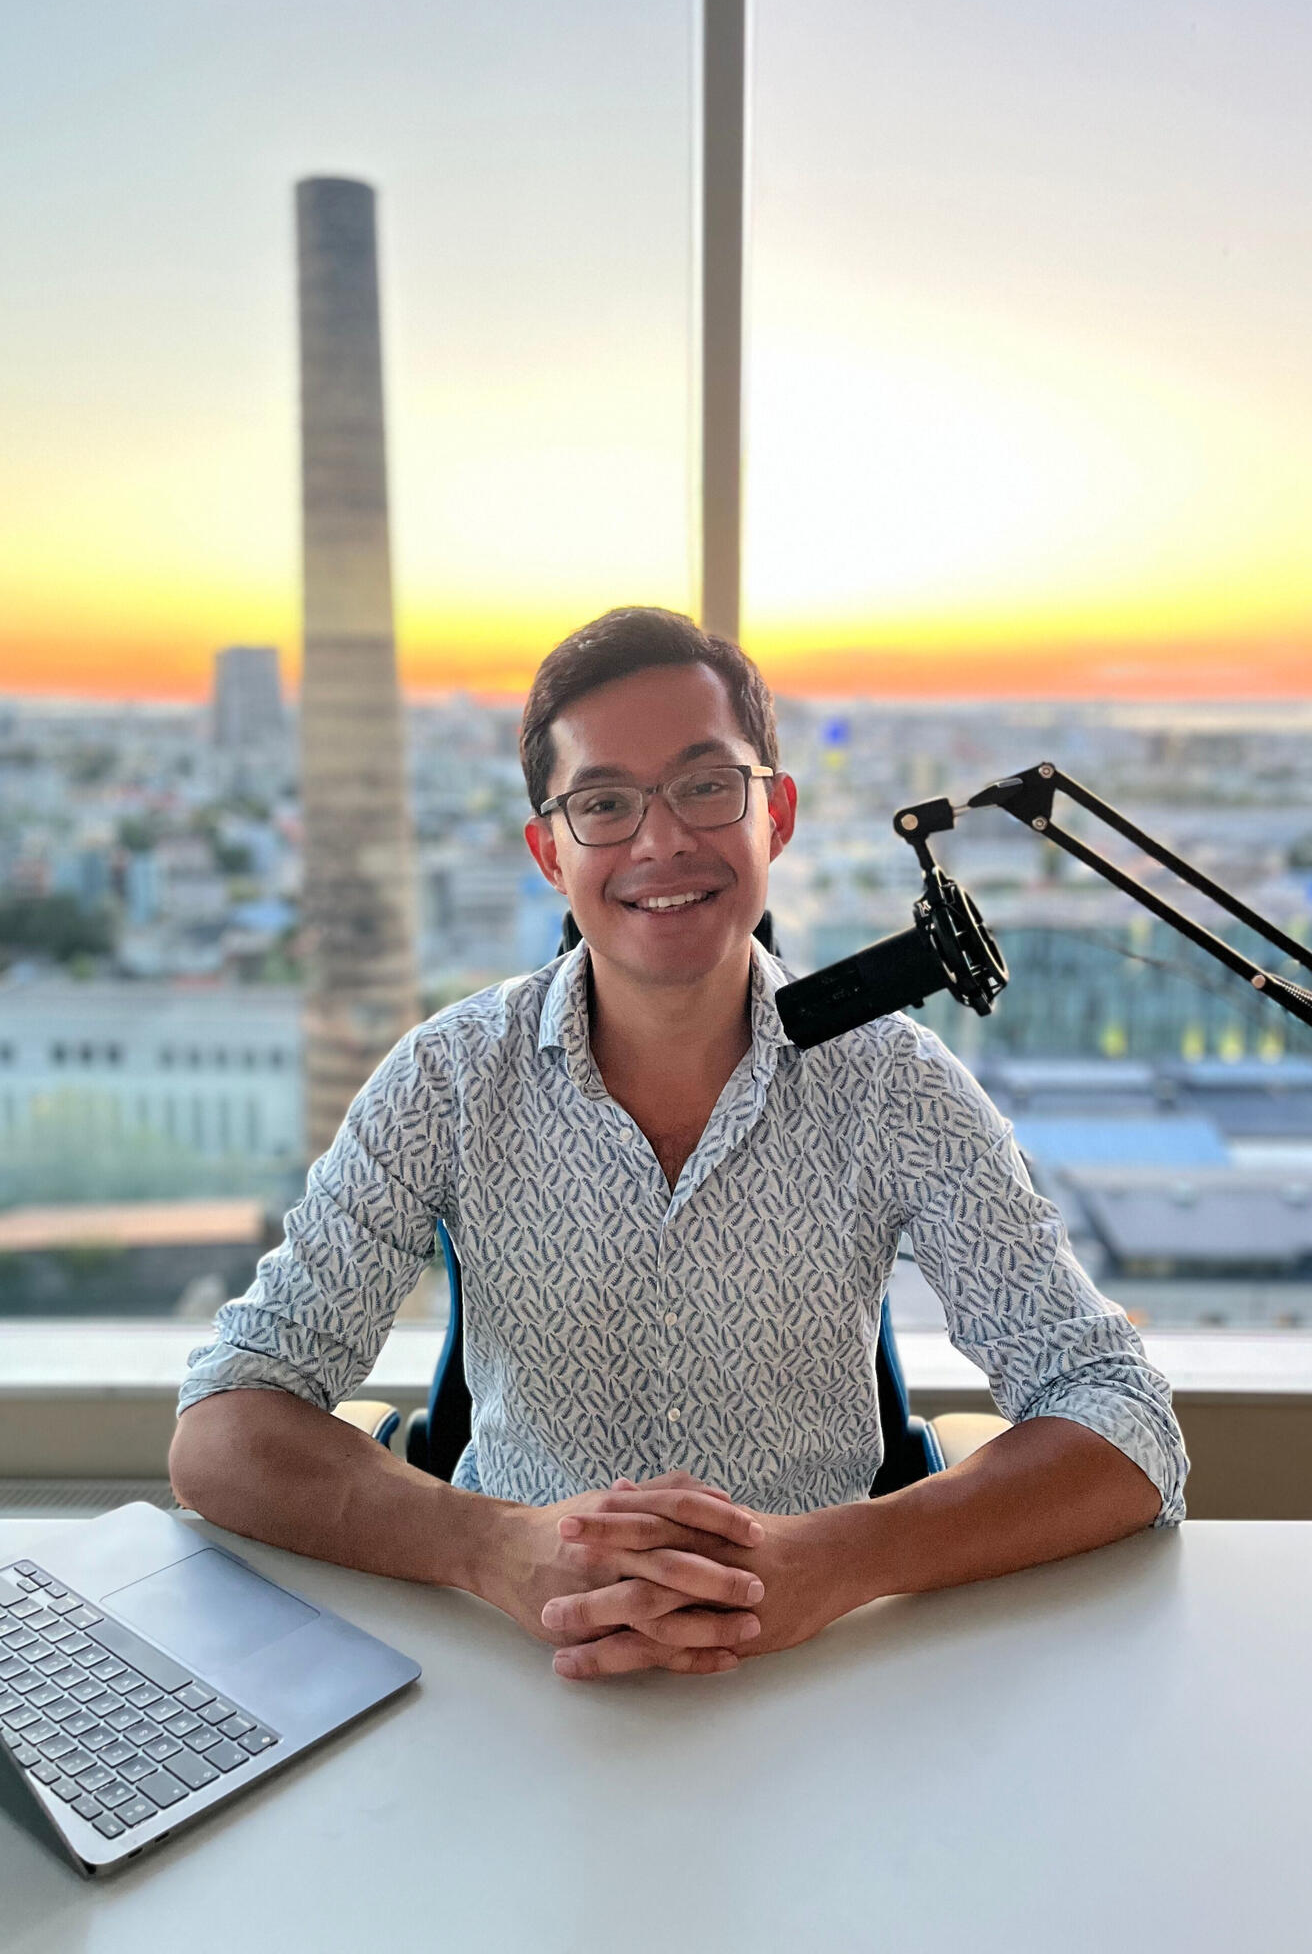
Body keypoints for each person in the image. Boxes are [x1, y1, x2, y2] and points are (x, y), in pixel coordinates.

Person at [170, 606, 1187, 1681]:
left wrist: (836, 1560)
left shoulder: (896, 1085)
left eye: (706, 787)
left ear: (775, 815)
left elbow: (1123, 1417)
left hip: (814, 1670)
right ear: (550, 854)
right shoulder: (448, 1078)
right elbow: (225, 1421)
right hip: (513, 1666)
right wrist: (492, 1547)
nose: (661, 842)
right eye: (604, 804)